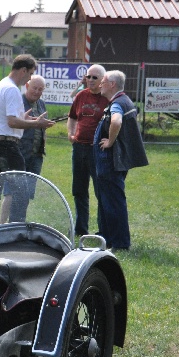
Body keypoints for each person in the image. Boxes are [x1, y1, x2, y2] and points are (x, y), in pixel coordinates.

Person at [0, 55, 55, 229]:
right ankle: (15, 231)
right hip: (7, 146)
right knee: (21, 192)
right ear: (23, 70)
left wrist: (24, 119)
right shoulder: (12, 89)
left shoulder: (1, 84)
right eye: (30, 73)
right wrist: (36, 123)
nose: (30, 78)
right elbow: (11, 122)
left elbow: (9, 120)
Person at [94, 70, 149, 251]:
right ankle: (107, 238)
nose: (99, 84)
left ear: (112, 84)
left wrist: (109, 141)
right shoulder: (124, 101)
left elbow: (116, 122)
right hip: (114, 161)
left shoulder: (117, 104)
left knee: (113, 203)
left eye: (102, 81)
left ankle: (120, 243)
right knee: (107, 200)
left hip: (110, 161)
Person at [0, 74, 48, 223]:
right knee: (11, 192)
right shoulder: (18, 101)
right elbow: (11, 123)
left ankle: (18, 224)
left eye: (41, 89)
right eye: (34, 88)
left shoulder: (41, 104)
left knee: (26, 193)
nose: (37, 92)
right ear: (27, 86)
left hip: (36, 155)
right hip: (18, 153)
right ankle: (1, 225)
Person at [67, 64, 109, 236]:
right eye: (88, 76)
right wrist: (70, 134)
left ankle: (103, 230)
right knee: (79, 189)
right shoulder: (81, 96)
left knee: (101, 190)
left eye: (94, 77)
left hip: (97, 150)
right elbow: (72, 117)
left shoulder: (108, 98)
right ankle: (80, 229)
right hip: (79, 148)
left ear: (102, 81)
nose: (90, 80)